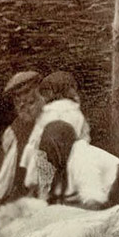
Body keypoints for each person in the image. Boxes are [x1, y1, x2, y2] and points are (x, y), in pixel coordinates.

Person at [20, 71, 91, 203]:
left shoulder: (48, 112)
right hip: (73, 157)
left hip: (47, 158)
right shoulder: (76, 111)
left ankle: (43, 196)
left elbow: (35, 139)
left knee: (42, 185)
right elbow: (84, 136)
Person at [0, 71, 46, 210]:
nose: (22, 101)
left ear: (39, 91)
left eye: (27, 93)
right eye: (17, 97)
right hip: (25, 195)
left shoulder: (53, 120)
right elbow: (6, 173)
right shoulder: (14, 132)